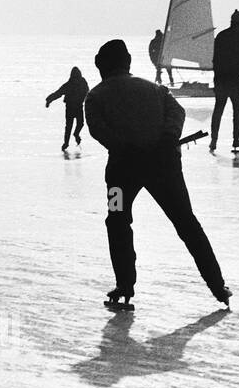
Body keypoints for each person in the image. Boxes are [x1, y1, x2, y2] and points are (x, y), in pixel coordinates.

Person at [84, 38, 230, 310]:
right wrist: (167, 138)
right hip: (164, 165)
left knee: (117, 221)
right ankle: (218, 285)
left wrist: (124, 147)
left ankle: (125, 285)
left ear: (102, 67)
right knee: (186, 223)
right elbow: (177, 111)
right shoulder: (155, 89)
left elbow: (97, 130)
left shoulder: (95, 96)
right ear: (127, 63)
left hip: (120, 173)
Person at [210, 10, 239, 153]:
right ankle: (235, 140)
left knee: (218, 110)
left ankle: (214, 141)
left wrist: (216, 79)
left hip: (222, 80)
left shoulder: (221, 36)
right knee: (237, 112)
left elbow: (215, 60)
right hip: (235, 81)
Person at [45, 66, 90, 151]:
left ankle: (76, 134)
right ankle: (66, 143)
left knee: (80, 124)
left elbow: (87, 92)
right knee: (69, 127)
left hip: (78, 107)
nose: (76, 78)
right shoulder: (69, 84)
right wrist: (49, 100)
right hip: (70, 108)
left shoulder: (82, 82)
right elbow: (58, 93)